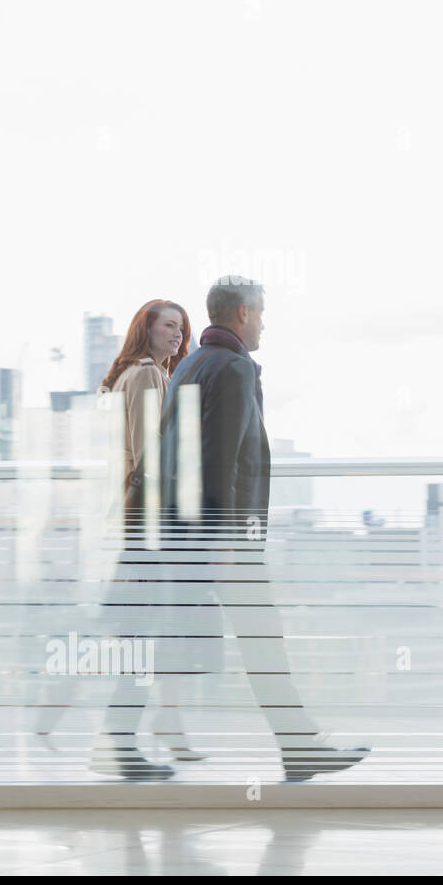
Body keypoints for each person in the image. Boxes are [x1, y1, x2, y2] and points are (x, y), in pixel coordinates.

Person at [152, 276, 368, 782]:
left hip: (186, 534)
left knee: (193, 633)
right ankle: (298, 749)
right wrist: (227, 542)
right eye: (263, 313)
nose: (265, 323)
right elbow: (221, 457)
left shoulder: (189, 365)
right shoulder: (232, 368)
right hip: (222, 540)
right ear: (243, 313)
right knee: (260, 639)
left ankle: (144, 727)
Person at [87, 300, 209, 780]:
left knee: (144, 636)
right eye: (168, 326)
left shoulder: (144, 374)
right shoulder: (144, 375)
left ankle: (127, 741)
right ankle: (119, 746)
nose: (178, 336)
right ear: (147, 329)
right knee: (143, 637)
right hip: (146, 530)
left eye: (182, 329)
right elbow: (148, 458)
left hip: (137, 527)